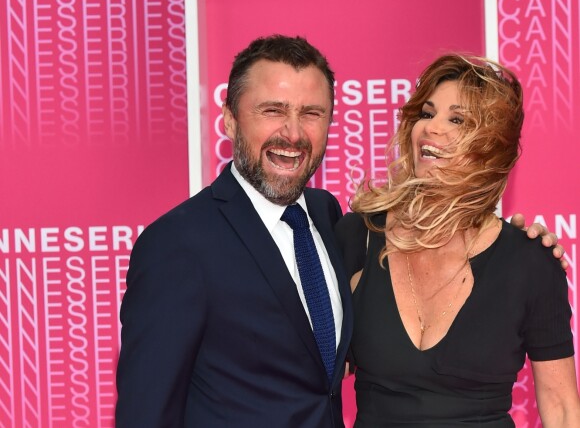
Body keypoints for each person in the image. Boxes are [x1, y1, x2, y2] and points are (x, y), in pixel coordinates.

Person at [116, 36, 564, 428]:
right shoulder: (177, 244)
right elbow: (146, 411)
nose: (292, 133)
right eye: (273, 110)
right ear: (230, 119)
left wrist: (526, 251)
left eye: (311, 113)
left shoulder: (330, 222)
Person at [336, 53, 579, 427]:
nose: (432, 128)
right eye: (427, 114)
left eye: (457, 120)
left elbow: (561, 408)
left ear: (491, 148)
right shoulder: (359, 238)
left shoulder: (531, 261)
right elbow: (314, 371)